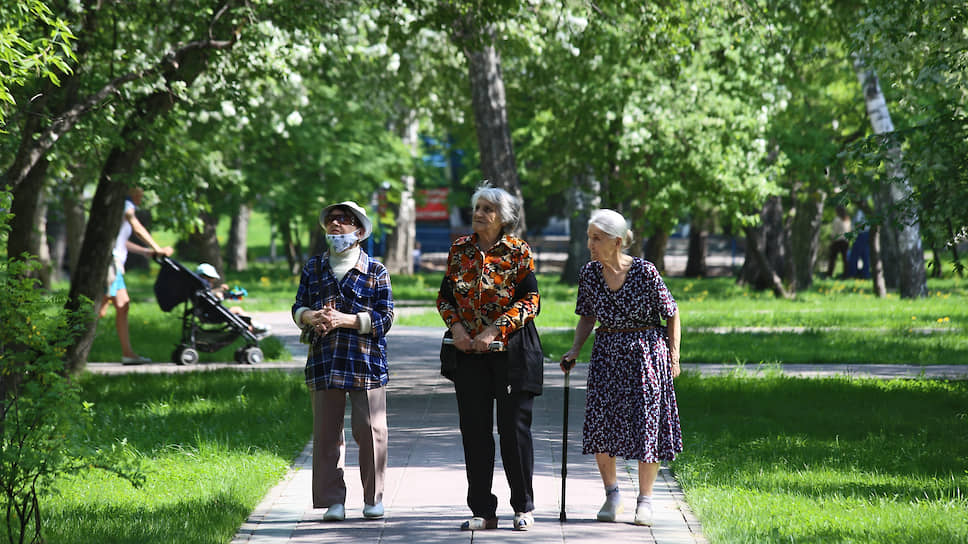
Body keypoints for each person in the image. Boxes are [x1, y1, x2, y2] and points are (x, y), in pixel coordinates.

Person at [560, 209, 682, 527]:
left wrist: (674, 357)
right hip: (607, 353)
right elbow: (587, 316)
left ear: (617, 242)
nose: (590, 244)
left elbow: (671, 312)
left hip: (646, 354)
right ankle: (612, 496)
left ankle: (645, 501)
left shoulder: (645, 271)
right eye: (589, 237)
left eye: (596, 238)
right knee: (602, 425)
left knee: (646, 425)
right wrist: (575, 349)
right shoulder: (589, 274)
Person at [436, 184, 540, 532]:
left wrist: (495, 330)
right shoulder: (459, 250)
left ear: (504, 218)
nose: (479, 213)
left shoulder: (517, 252)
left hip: (510, 355)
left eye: (488, 209)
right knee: (475, 433)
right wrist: (458, 330)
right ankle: (483, 511)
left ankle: (523, 507)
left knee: (513, 432)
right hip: (468, 356)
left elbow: (531, 301)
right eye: (477, 207)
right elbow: (445, 298)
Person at [291, 201, 394, 522]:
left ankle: (372, 498)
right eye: (331, 220)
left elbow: (385, 317)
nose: (336, 225)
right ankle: (332, 501)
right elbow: (298, 307)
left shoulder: (376, 270)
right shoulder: (313, 268)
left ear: (359, 231)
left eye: (344, 220)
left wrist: (345, 320)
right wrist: (311, 316)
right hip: (324, 360)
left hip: (365, 362)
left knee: (371, 430)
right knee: (326, 435)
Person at [98, 187, 174, 364]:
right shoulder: (126, 205)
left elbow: (122, 241)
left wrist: (147, 252)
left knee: (122, 306)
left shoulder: (122, 207)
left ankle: (128, 353)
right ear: (132, 189)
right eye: (141, 191)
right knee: (99, 310)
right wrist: (158, 249)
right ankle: (65, 349)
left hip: (115, 264)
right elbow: (138, 228)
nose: (143, 195)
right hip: (111, 263)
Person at [195, 263, 270, 337]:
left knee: (239, 317)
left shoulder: (199, 289)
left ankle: (251, 328)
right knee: (237, 309)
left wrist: (222, 293)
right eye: (211, 280)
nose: (212, 283)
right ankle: (255, 326)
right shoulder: (203, 290)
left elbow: (211, 294)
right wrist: (219, 291)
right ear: (206, 277)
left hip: (210, 313)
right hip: (212, 315)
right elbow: (212, 294)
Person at [826, 205, 851, 278]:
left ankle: (829, 274)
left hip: (837, 241)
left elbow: (834, 232)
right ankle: (846, 274)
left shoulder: (837, 219)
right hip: (845, 241)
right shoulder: (847, 219)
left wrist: (831, 240)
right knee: (845, 259)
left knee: (832, 258)